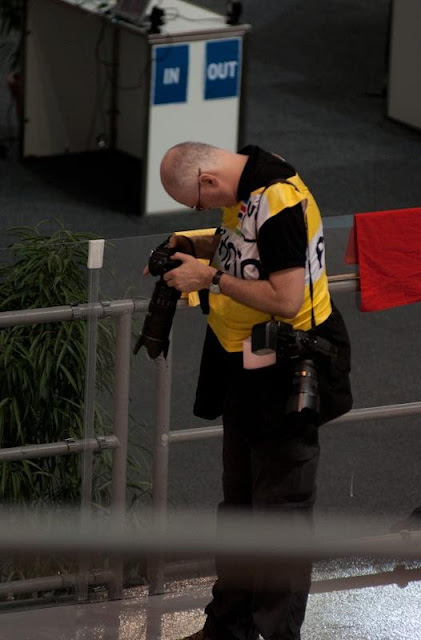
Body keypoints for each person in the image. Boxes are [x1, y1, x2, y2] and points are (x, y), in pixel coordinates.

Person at [155, 141, 353, 640]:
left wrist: (211, 277)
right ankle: (229, 626)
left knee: (280, 517)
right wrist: (192, 243)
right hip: (242, 368)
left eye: (197, 205)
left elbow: (286, 298)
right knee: (239, 508)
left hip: (286, 370)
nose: (203, 212)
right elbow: (240, 246)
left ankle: (275, 634)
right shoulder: (241, 188)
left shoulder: (278, 201)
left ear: (207, 181)